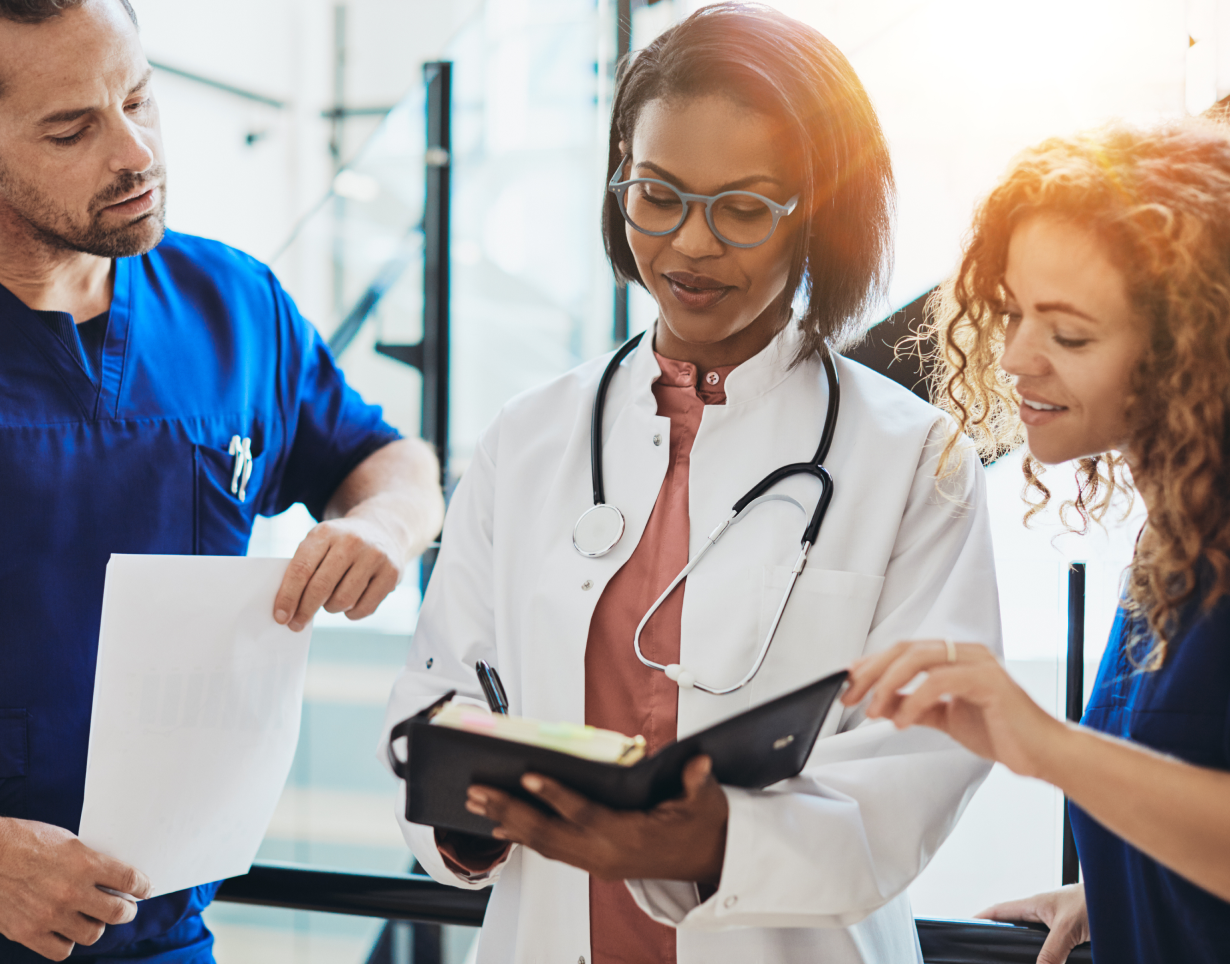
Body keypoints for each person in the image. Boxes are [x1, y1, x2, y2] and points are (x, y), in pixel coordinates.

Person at [381, 4, 1002, 962]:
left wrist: (712, 841)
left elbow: (920, 763)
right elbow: (439, 690)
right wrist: (464, 817)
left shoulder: (914, 458)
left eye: (744, 208)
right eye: (658, 195)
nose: (691, 245)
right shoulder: (528, 438)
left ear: (820, 213)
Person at [0, 1, 445, 961]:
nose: (137, 152)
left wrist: (384, 530)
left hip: (163, 931)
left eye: (140, 97)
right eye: (73, 129)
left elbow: (386, 461)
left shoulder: (232, 305)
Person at [842, 121, 1230, 964]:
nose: (1015, 356)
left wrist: (1045, 745)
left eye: (1070, 334)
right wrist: (1126, 884)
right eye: (1014, 313)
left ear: (1193, 348)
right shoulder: (1179, 535)